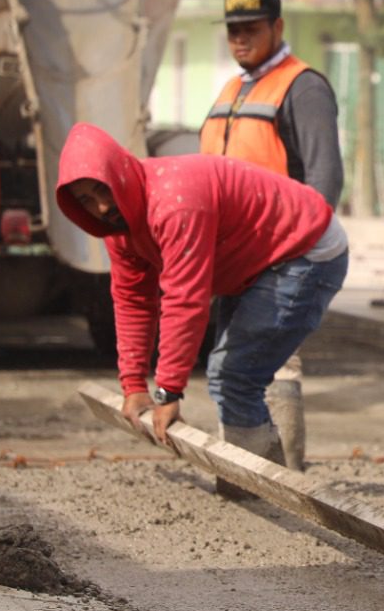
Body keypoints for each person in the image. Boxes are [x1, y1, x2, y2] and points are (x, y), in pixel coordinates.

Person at [55, 122, 348, 459]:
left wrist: (166, 392)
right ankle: (259, 477)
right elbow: (133, 301)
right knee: (232, 374)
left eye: (103, 189)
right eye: (87, 201)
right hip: (251, 260)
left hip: (304, 249)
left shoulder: (174, 202)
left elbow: (185, 300)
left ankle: (259, 486)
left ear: (120, 171)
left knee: (233, 376)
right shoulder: (118, 230)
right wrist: (134, 384)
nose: (102, 207)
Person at [197, 0, 344, 468]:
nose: (240, 38)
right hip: (235, 260)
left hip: (281, 260)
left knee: (273, 365)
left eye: (251, 28)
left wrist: (298, 258)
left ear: (277, 27)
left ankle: (285, 476)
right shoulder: (232, 89)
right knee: (229, 366)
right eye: (233, 30)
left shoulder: (303, 87)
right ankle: (246, 472)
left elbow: (324, 178)